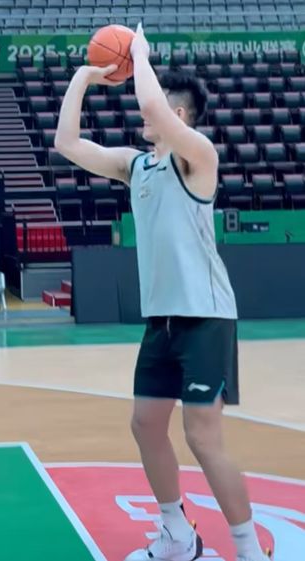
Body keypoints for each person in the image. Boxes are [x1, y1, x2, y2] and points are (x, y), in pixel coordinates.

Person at [54, 23, 270, 561]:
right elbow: (67, 144)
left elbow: (150, 102)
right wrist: (84, 76)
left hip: (205, 317)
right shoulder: (137, 166)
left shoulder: (199, 158)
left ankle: (249, 549)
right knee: (146, 424)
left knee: (202, 436)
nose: (143, 114)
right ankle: (178, 534)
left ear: (178, 115)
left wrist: (140, 54)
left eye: (157, 109)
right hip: (162, 321)